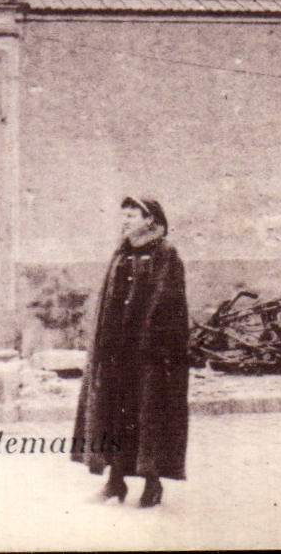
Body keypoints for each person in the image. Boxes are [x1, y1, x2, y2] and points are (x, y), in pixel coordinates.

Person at [72, 196, 190, 508]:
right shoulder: (122, 251)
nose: (125, 220)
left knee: (148, 415)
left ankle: (152, 483)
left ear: (150, 220)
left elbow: (169, 304)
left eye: (132, 215)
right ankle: (115, 483)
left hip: (149, 354)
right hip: (116, 351)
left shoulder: (165, 253)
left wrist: (155, 345)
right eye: (123, 215)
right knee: (113, 413)